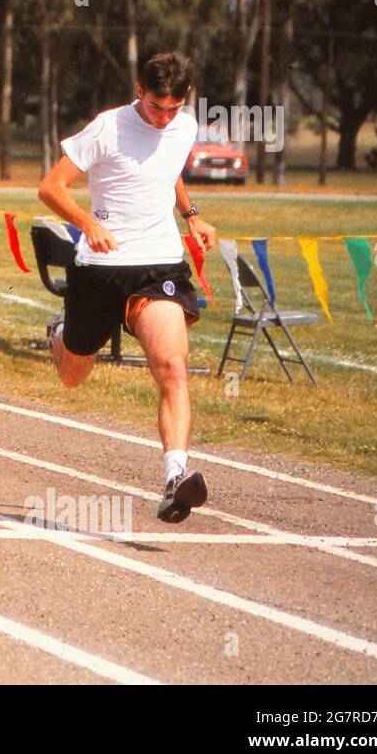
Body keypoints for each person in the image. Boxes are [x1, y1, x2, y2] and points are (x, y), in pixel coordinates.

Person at [37, 50, 218, 524]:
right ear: (139, 91)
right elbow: (50, 187)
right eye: (157, 106)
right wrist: (85, 223)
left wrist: (192, 216)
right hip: (100, 265)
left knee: (172, 368)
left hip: (158, 264)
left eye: (174, 108)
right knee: (73, 376)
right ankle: (60, 331)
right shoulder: (106, 128)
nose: (164, 118)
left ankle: (175, 477)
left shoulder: (183, 126)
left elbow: (170, 167)